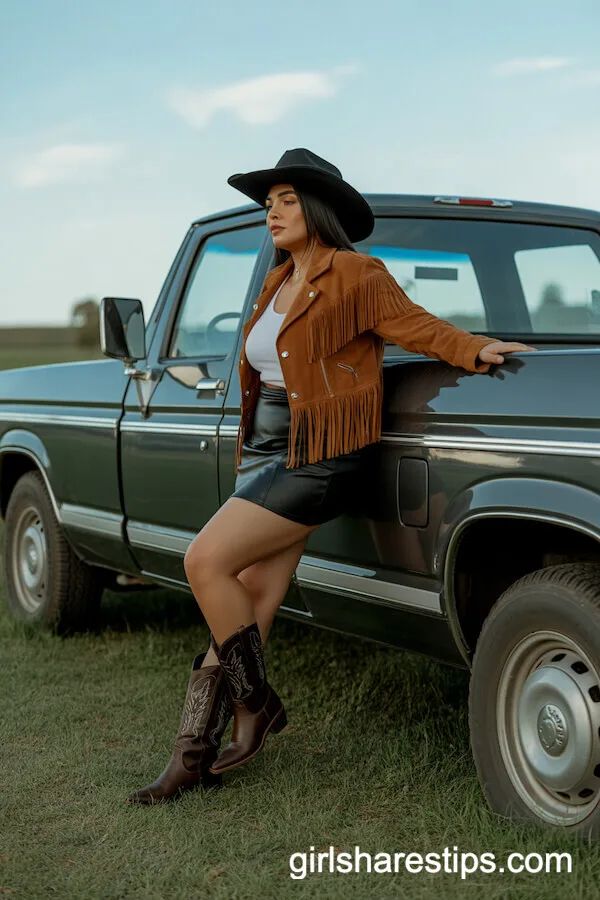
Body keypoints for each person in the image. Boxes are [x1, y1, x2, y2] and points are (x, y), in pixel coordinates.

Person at [126, 148, 535, 805]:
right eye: (268, 203)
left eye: (286, 200)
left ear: (317, 209)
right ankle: (191, 758)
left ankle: (257, 706)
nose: (272, 213)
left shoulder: (355, 273)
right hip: (263, 451)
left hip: (318, 454)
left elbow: (413, 325)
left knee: (204, 561)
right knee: (251, 598)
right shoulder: (277, 281)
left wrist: (473, 347)